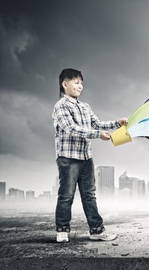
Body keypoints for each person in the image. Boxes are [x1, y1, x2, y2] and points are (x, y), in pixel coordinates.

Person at [52, 68, 127, 243]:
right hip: (68, 157)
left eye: (81, 83)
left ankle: (96, 231)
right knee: (66, 195)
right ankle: (62, 231)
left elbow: (98, 124)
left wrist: (118, 123)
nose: (80, 86)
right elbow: (71, 129)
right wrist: (97, 134)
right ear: (65, 84)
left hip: (86, 157)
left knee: (89, 195)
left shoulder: (85, 107)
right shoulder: (60, 106)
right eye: (76, 82)